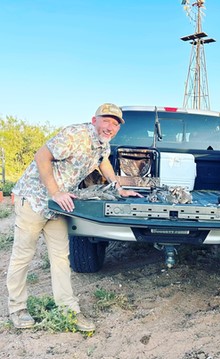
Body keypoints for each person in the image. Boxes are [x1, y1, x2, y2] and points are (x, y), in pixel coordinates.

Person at [7, 103, 141, 331]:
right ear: (94, 120)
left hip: (59, 206)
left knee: (61, 257)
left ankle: (68, 310)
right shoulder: (75, 135)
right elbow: (41, 157)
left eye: (115, 123)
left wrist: (118, 188)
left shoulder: (102, 144)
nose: (110, 126)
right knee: (23, 256)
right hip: (34, 199)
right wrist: (55, 192)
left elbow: (103, 162)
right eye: (106, 120)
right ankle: (17, 309)